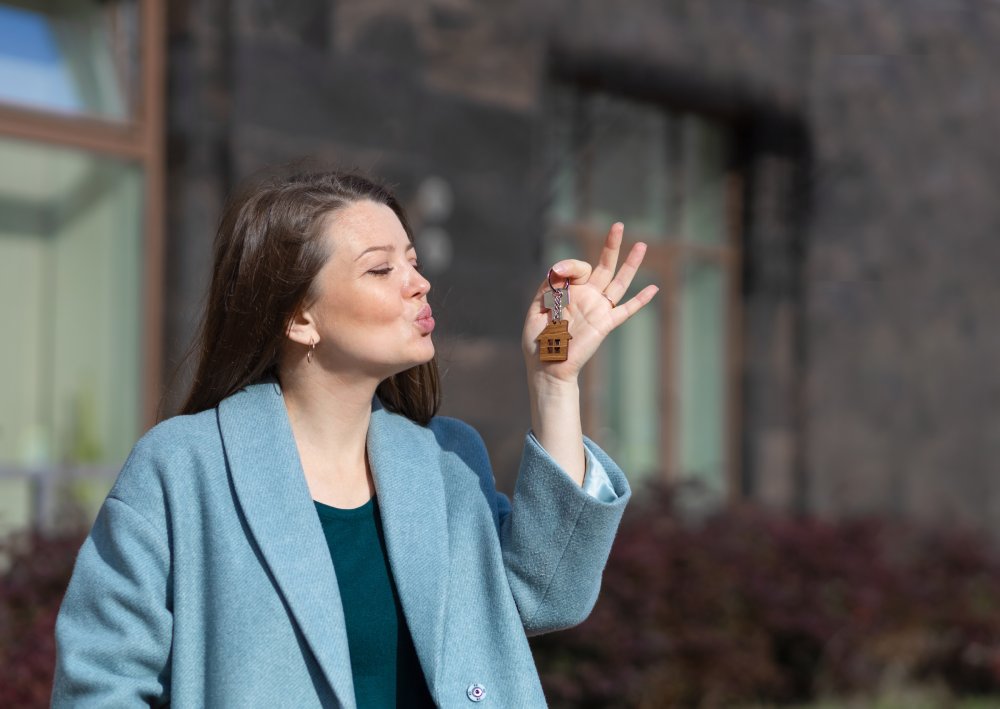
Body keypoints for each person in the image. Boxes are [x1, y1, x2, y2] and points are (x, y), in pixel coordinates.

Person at [51, 170, 659, 707]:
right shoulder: (182, 468)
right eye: (381, 268)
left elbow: (549, 596)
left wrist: (553, 380)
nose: (418, 283)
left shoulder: (448, 460)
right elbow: (99, 682)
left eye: (413, 261)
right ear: (299, 317)